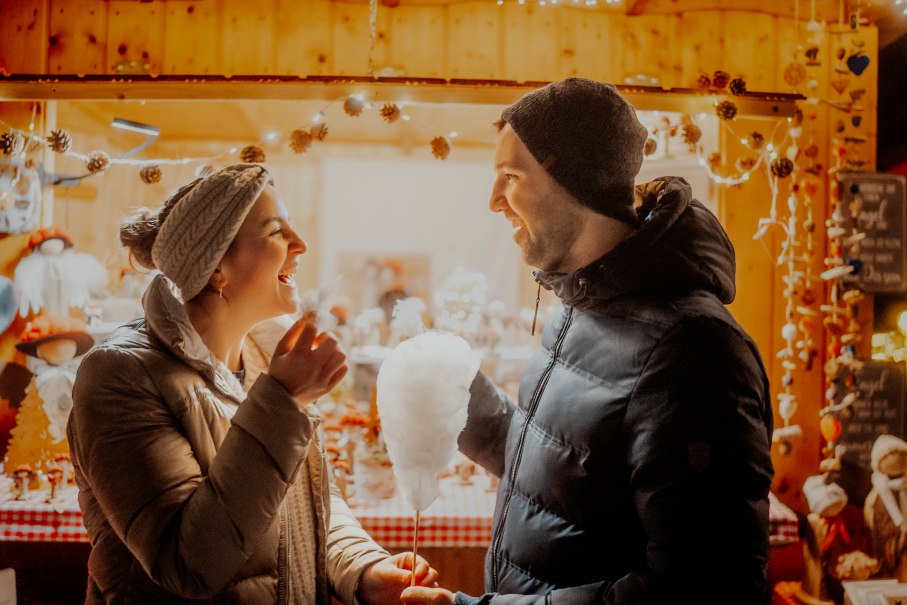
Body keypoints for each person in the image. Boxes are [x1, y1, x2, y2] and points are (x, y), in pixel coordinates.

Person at [401, 78, 774, 604]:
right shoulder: (580, 306)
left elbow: (703, 587)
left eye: (510, 176)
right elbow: (568, 477)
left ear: (576, 180)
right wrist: (459, 397)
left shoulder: (694, 349)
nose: (493, 201)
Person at [67, 164, 438, 604]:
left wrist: (363, 567)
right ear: (216, 265)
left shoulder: (268, 356)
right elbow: (188, 565)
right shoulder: (119, 376)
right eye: (276, 231)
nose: (300, 245)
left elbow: (306, 503)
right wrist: (282, 400)